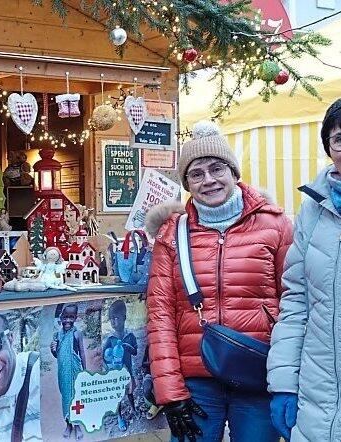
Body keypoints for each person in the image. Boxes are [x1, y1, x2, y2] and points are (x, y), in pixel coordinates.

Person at [146, 120, 292, 442]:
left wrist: (287, 377)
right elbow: (160, 316)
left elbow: (294, 303)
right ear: (187, 183)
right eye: (196, 174)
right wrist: (170, 392)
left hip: (259, 370)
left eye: (217, 169)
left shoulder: (276, 225)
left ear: (234, 173)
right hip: (195, 381)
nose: (208, 180)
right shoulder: (172, 235)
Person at [267, 98, 341, 442]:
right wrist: (283, 382)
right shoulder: (313, 208)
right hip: (319, 398)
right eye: (339, 139)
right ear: (329, 148)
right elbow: (296, 299)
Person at [50, 303, 86, 439]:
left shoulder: (77, 334)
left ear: (75, 318)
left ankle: (77, 425)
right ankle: (68, 425)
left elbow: (82, 353)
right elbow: (57, 355)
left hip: (76, 371)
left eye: (71, 317)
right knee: (66, 397)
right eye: (65, 317)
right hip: (63, 372)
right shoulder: (57, 335)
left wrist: (85, 371)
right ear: (61, 317)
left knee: (76, 397)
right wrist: (52, 349)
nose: (68, 320)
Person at [102, 300, 137, 433]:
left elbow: (135, 352)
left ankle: (133, 409)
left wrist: (128, 347)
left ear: (124, 318)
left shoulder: (130, 336)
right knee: (117, 397)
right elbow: (104, 357)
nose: (113, 322)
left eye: (116, 318)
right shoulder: (110, 339)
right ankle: (119, 416)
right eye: (111, 319)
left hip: (127, 371)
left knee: (130, 392)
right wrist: (108, 365)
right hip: (115, 374)